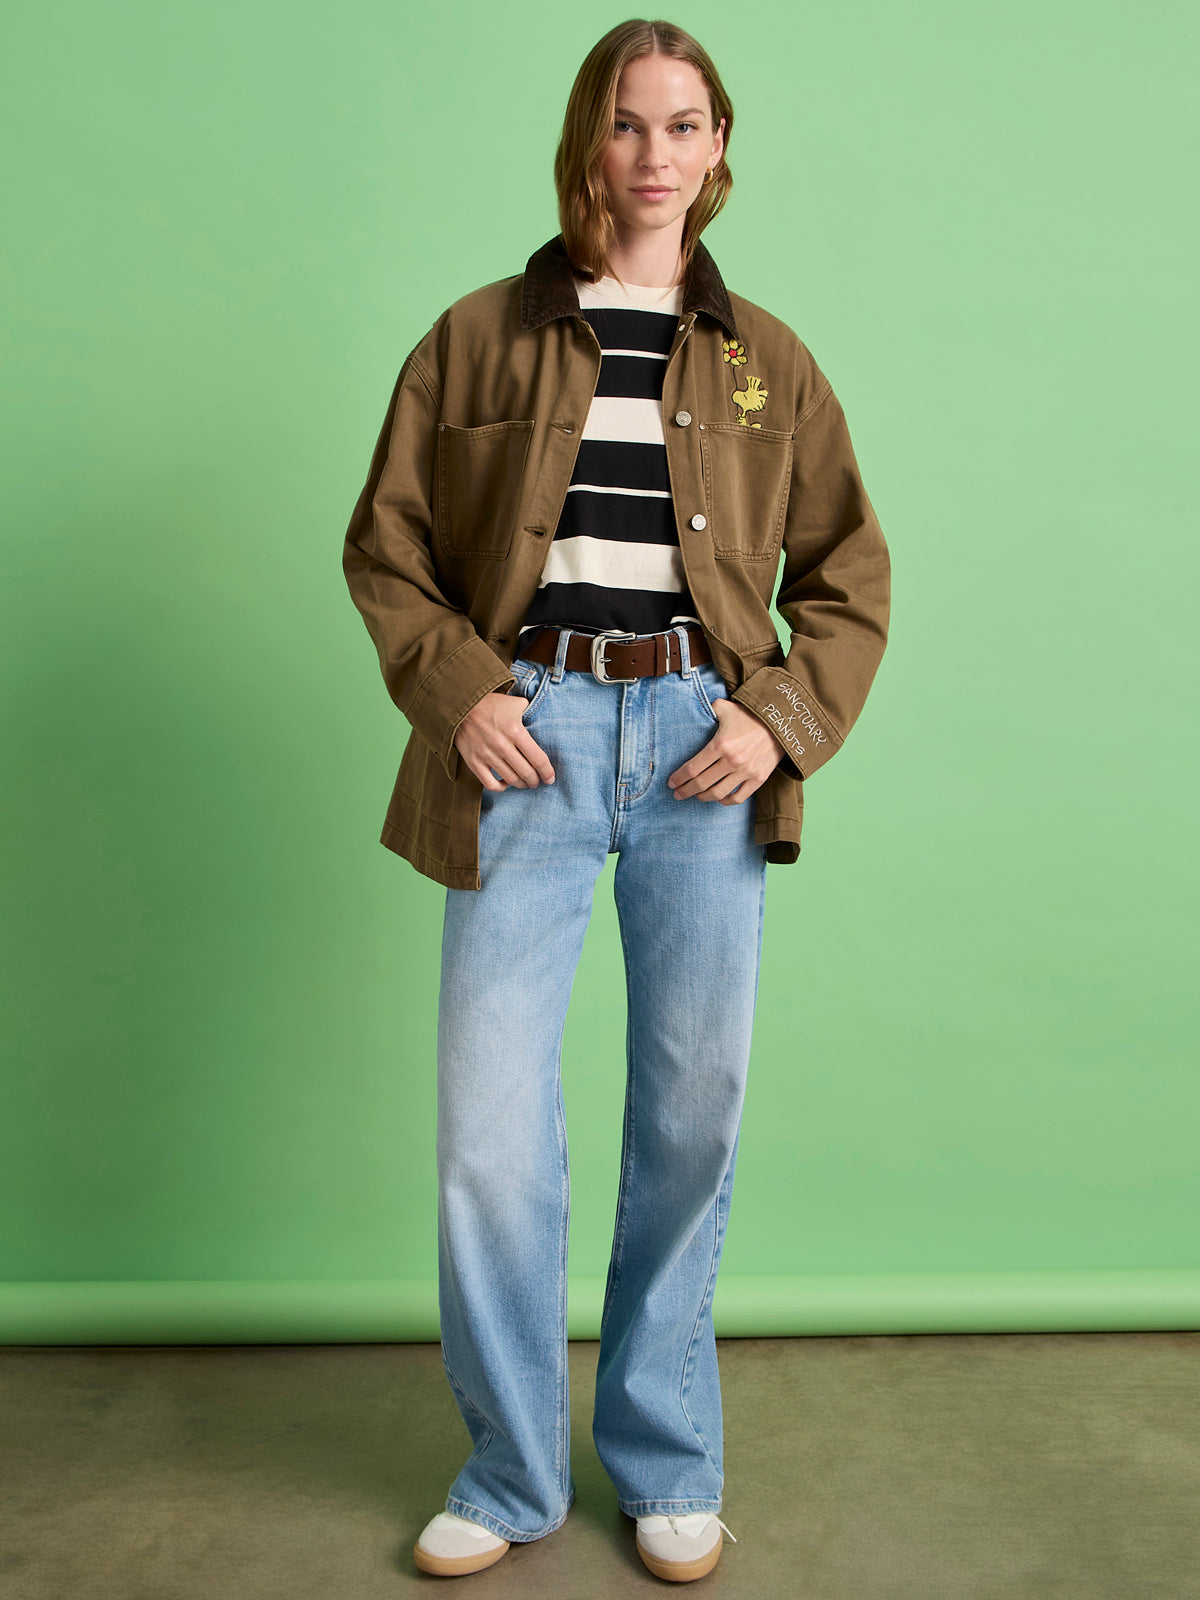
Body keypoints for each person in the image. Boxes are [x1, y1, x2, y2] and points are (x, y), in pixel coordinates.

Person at [342, 18, 890, 1583]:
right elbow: (387, 549)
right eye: (629, 122)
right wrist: (464, 692)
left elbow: (848, 576)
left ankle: (666, 1461)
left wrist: (777, 722)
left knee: (690, 1111)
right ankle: (509, 1473)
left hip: (704, 744)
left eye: (686, 123)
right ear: (589, 139)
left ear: (719, 150)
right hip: (529, 735)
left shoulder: (768, 360)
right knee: (488, 1124)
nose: (657, 153)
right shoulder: (474, 338)